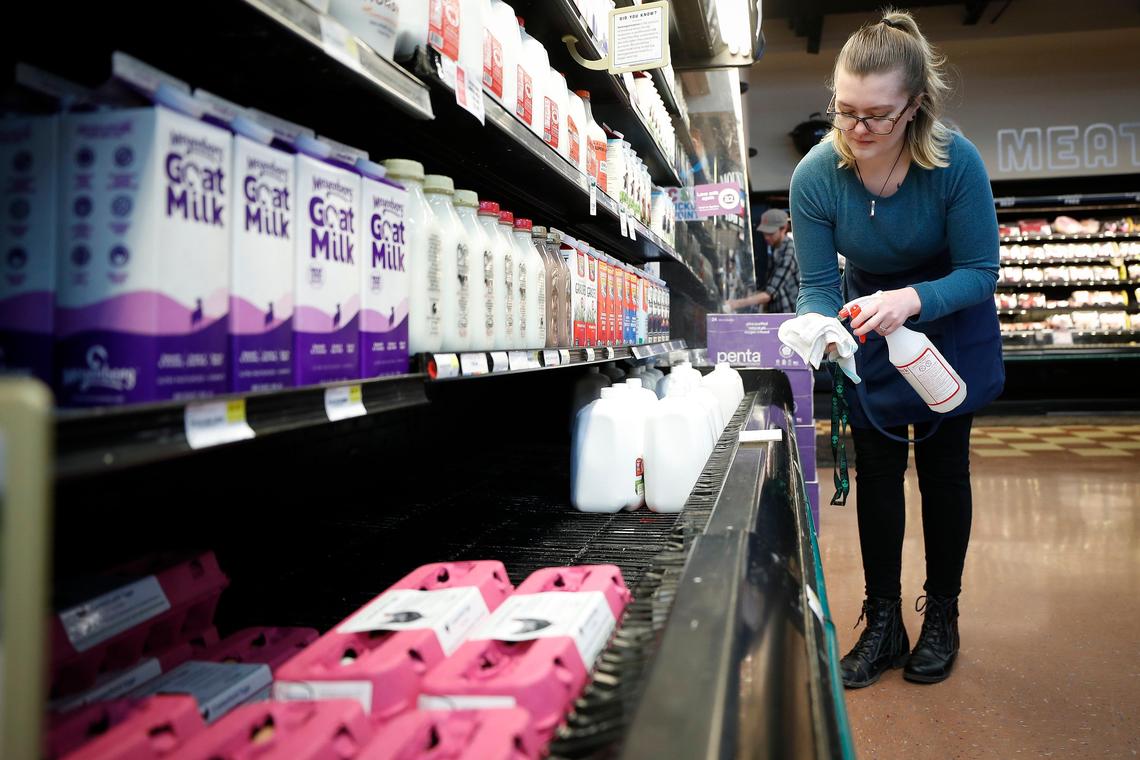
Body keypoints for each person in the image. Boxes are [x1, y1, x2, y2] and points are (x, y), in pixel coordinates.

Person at [789, 8, 1004, 688]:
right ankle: (883, 621)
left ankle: (942, 614)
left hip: (948, 312)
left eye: (878, 116)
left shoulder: (955, 162)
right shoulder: (816, 175)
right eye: (845, 110)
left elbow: (981, 271)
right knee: (878, 471)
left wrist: (911, 299)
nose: (858, 129)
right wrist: (819, 327)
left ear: (914, 107)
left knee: (944, 470)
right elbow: (818, 287)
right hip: (869, 319)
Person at [727, 209, 800, 313]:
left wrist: (734, 304)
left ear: (783, 228)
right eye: (764, 233)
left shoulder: (790, 251)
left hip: (791, 314)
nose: (766, 237)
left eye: (770, 233)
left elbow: (769, 293)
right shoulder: (775, 248)